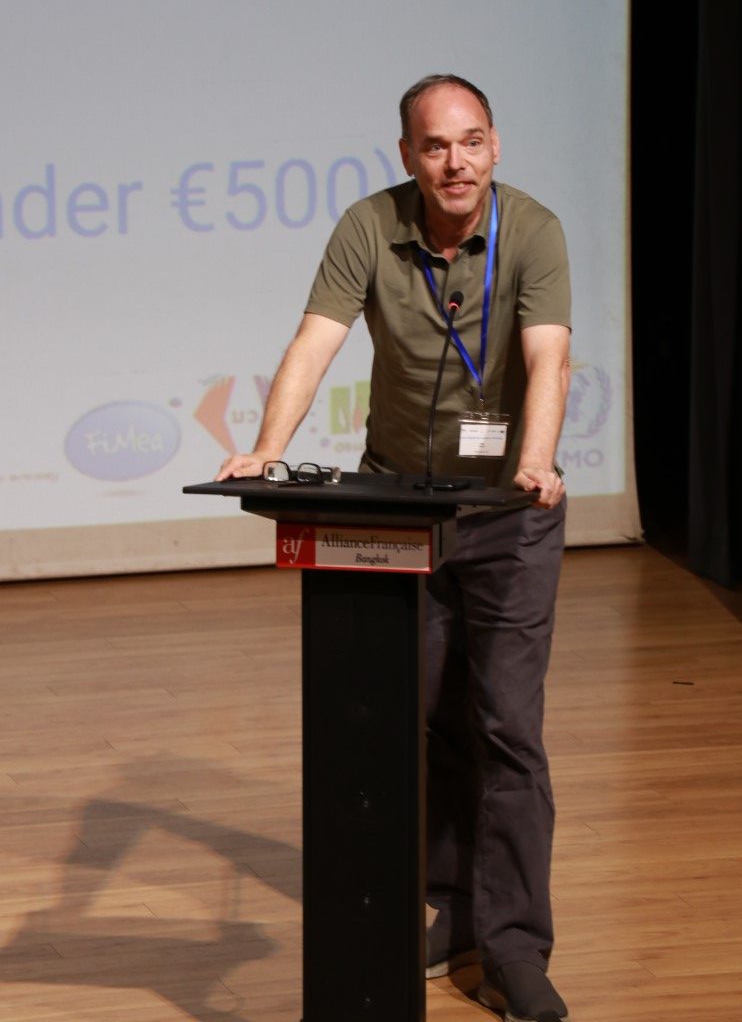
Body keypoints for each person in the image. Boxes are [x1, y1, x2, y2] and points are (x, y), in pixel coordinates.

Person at [216, 74, 571, 1022]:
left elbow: (548, 354)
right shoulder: (368, 226)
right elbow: (315, 341)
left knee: (506, 728)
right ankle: (453, 911)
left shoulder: (533, 231)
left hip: (507, 514)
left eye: (472, 141)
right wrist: (269, 450)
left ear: (495, 146)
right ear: (408, 155)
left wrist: (535, 458)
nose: (456, 163)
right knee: (426, 720)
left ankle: (515, 948)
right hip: (402, 514)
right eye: (435, 146)